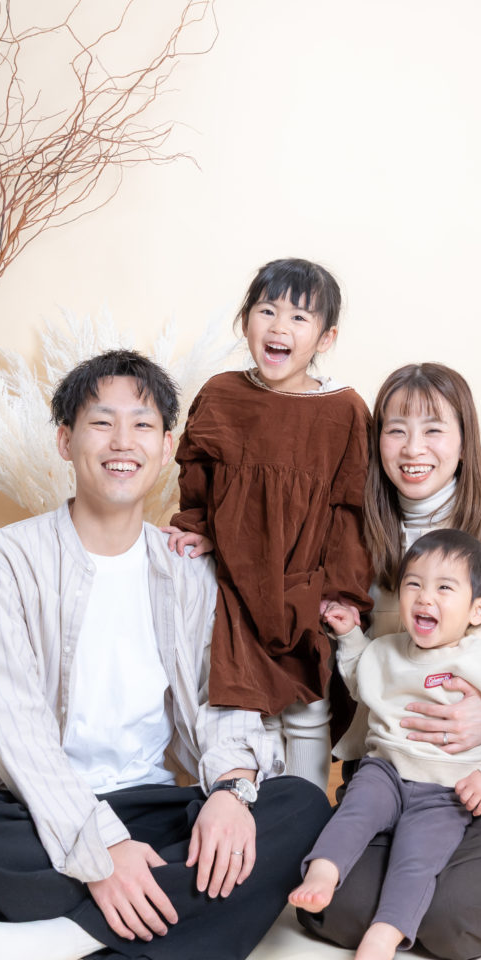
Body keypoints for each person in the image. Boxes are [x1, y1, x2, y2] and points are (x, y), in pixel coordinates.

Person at [0, 350, 331, 960]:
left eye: (142, 425)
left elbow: (221, 696)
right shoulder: (3, 563)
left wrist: (231, 792)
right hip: (43, 813)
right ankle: (167, 916)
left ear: (166, 448)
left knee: (301, 806)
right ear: (65, 440)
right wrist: (101, 850)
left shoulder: (191, 569)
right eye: (101, 422)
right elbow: (16, 730)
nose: (122, 442)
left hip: (157, 805)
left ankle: (69, 936)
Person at [298, 361, 481, 960]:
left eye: (433, 429)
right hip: (393, 769)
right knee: (337, 911)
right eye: (396, 430)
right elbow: (366, 664)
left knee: (454, 923)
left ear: (464, 440)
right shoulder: (361, 539)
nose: (413, 449)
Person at [291, 529, 481, 960]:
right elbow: (361, 681)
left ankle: (386, 933)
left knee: (417, 858)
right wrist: (350, 637)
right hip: (386, 770)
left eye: (444, 588)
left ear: (478, 609)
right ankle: (323, 872)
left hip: (446, 790)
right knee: (355, 813)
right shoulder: (387, 650)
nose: (424, 597)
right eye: (414, 584)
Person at [163, 258, 373, 790]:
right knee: (239, 709)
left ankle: (303, 816)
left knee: (306, 707)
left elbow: (351, 509)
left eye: (299, 318)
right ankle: (244, 811)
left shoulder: (344, 410)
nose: (280, 326)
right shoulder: (222, 394)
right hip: (234, 582)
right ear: (245, 321)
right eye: (267, 311)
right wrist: (199, 525)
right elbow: (196, 473)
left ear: (325, 338)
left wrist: (342, 591)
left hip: (304, 584)